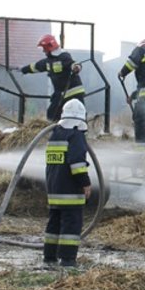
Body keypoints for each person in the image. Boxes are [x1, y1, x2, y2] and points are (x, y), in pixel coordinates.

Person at [43, 98, 92, 268]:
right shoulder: (76, 135)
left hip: (54, 189)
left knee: (53, 225)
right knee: (71, 227)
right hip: (70, 191)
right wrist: (86, 183)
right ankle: (68, 261)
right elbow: (77, 163)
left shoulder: (55, 134)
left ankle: (49, 258)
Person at [19, 34, 86, 122]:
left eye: (44, 48)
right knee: (52, 114)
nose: (43, 51)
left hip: (73, 92)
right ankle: (55, 132)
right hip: (60, 93)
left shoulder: (64, 56)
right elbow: (36, 66)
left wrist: (76, 67)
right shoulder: (48, 61)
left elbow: (73, 64)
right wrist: (23, 69)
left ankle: (80, 132)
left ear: (50, 46)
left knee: (77, 114)